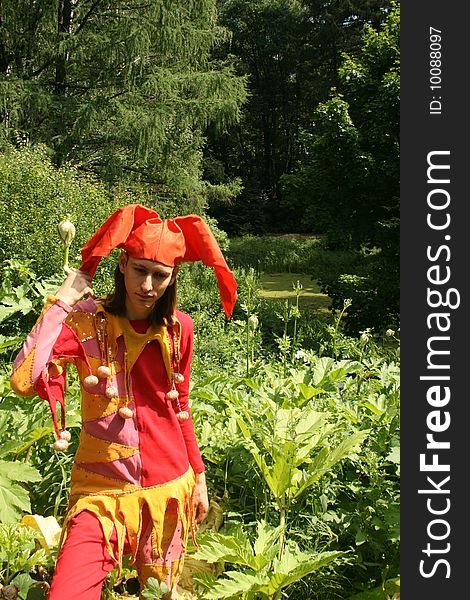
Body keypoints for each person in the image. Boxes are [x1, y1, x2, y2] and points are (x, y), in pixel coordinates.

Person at [10, 204, 237, 600]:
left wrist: (198, 476)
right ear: (122, 264)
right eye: (139, 270)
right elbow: (24, 379)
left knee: (160, 595)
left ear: (172, 277)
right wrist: (65, 296)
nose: (147, 285)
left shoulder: (179, 329)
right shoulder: (86, 322)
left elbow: (179, 405)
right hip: (100, 493)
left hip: (169, 491)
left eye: (159, 275)